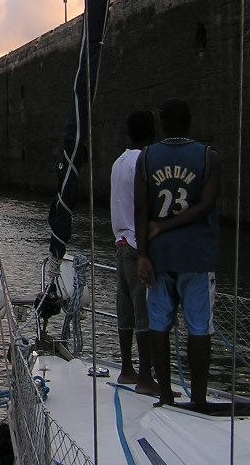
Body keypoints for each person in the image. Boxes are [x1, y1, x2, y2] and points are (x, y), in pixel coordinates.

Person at [135, 99, 221, 410]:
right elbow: (205, 206)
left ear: (163, 124)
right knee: (199, 327)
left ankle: (166, 394)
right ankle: (198, 399)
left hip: (159, 255)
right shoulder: (208, 156)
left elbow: (141, 208)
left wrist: (143, 252)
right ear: (189, 122)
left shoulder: (147, 158)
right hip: (197, 256)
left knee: (159, 323)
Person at [110, 109, 157, 394]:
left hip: (120, 243)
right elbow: (143, 203)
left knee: (124, 308)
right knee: (145, 312)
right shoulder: (144, 161)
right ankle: (145, 377)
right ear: (152, 133)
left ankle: (126, 369)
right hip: (138, 245)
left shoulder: (118, 162)